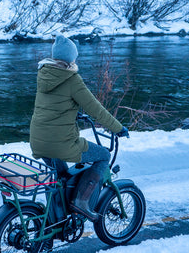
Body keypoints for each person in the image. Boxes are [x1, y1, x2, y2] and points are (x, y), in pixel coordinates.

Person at [29, 34, 129, 221]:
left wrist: (73, 112)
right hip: (61, 143)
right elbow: (97, 110)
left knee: (60, 178)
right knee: (103, 155)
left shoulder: (44, 74)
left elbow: (53, 106)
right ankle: (81, 202)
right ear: (70, 58)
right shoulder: (72, 79)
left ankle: (56, 220)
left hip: (38, 141)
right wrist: (117, 128)